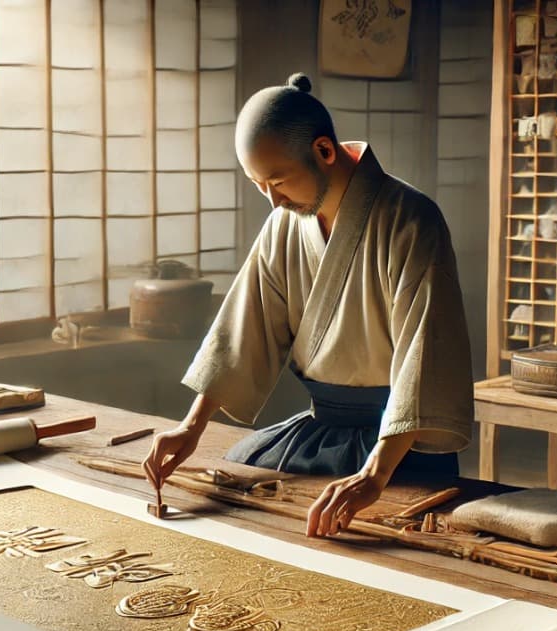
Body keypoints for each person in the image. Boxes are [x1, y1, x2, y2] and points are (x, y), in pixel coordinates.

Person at [142, 73, 474, 538]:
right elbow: (245, 326)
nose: (272, 199)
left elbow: (424, 356)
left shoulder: (410, 220)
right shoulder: (285, 221)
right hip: (324, 427)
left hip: (398, 444)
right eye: (258, 184)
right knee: (236, 486)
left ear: (323, 151)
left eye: (277, 180)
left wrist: (373, 475)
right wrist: (191, 427)